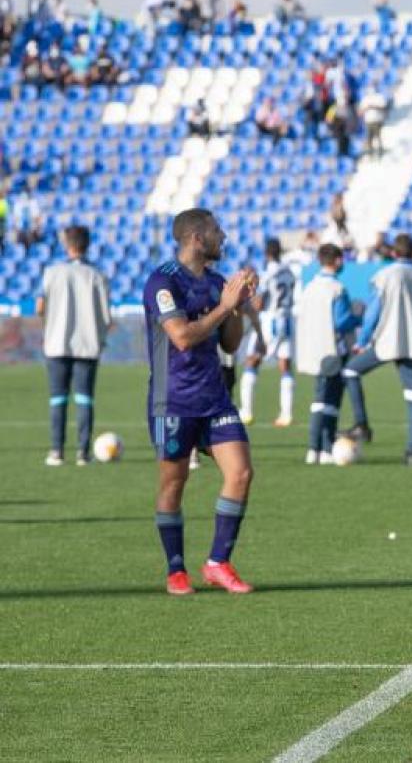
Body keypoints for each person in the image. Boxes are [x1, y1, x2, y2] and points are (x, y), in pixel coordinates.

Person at [142, 208, 257, 596]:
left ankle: (217, 563)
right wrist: (225, 306)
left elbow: (230, 343)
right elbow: (182, 337)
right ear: (196, 237)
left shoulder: (215, 282)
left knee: (240, 473)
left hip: (214, 399)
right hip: (172, 401)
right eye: (216, 230)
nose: (222, 236)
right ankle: (176, 569)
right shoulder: (163, 282)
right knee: (175, 483)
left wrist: (238, 305)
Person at [342, 234, 412, 465]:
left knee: (350, 372)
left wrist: (362, 341)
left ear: (393, 253)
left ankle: (362, 424)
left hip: (389, 342)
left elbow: (373, 311)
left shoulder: (385, 275)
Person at [37, 226, 111, 466]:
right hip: (87, 346)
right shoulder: (97, 275)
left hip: (56, 343)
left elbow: (40, 307)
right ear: (87, 244)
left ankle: (56, 451)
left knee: (58, 399)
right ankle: (83, 453)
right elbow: (106, 316)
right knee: (84, 399)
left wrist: (50, 323)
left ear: (67, 244)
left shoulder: (51, 272)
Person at [296, 243, 360, 464]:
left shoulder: (309, 287)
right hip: (333, 350)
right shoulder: (337, 288)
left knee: (319, 399)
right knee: (330, 401)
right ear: (338, 260)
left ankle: (314, 449)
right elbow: (341, 322)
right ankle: (323, 449)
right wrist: (358, 317)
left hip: (313, 349)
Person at [238, 238, 296, 428]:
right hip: (286, 321)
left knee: (252, 361)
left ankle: (247, 411)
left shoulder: (268, 274)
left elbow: (260, 302)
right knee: (285, 365)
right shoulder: (289, 272)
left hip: (270, 321)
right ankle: (286, 415)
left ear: (266, 254)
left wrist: (249, 301)